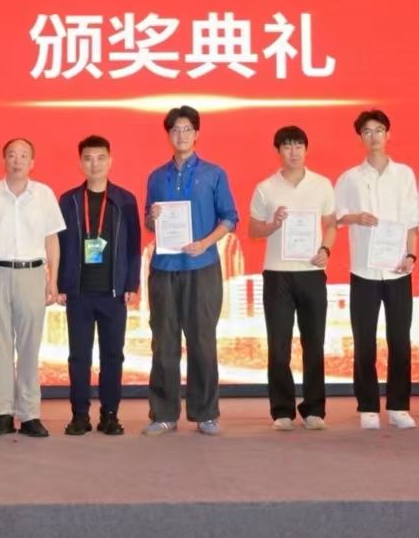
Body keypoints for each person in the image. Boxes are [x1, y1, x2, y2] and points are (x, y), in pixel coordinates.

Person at [143, 106, 239, 435]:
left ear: (196, 134)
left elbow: (230, 218)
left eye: (186, 129)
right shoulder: (156, 176)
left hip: (202, 267)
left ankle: (206, 413)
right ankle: (163, 414)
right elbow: (148, 221)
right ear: (168, 135)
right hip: (164, 267)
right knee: (163, 341)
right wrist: (152, 218)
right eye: (175, 130)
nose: (181, 135)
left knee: (202, 340)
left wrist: (205, 243)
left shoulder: (214, 174)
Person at [0, 138, 66, 438]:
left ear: (32, 162)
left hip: (32, 274)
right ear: (4, 160)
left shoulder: (44, 194)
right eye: (12, 155)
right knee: (0, 345)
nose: (17, 160)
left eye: (23, 155)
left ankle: (30, 414)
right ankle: (2, 413)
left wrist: (53, 279)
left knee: (29, 346)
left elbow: (52, 240)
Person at [333, 109, 419, 430]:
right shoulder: (349, 178)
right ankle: (368, 406)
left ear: (388, 134)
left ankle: (399, 406)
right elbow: (336, 217)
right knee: (364, 341)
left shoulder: (404, 174)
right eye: (367, 131)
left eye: (379, 130)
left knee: (400, 341)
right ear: (360, 137)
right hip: (364, 271)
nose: (374, 136)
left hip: (398, 269)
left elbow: (412, 220)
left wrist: (411, 255)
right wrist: (356, 217)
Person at [247, 125, 338, 430]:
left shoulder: (322, 184)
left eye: (299, 145)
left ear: (306, 149)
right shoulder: (266, 188)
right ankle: (282, 410)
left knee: (314, 344)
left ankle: (314, 409)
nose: (294, 152)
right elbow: (253, 230)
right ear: (278, 151)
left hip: (312, 272)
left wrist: (325, 249)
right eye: (287, 146)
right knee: (279, 346)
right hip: (277, 274)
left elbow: (331, 224)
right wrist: (273, 224)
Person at [54, 135, 142, 436]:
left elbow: (133, 245)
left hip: (113, 293)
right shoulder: (68, 200)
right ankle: (79, 415)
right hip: (78, 292)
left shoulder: (125, 200)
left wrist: (132, 283)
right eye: (88, 158)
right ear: (80, 163)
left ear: (110, 161)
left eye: (100, 157)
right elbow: (59, 244)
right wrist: (59, 284)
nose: (95, 164)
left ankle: (110, 414)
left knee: (113, 356)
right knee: (79, 356)